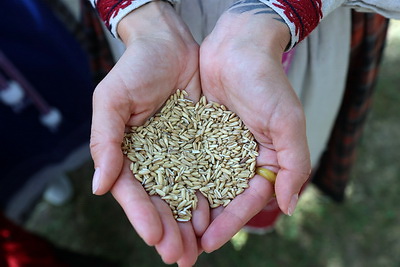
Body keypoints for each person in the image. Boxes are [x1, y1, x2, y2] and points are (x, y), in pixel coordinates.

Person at [89, 0, 400, 266]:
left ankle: (261, 222)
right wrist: (142, 17)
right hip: (149, 43)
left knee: (278, 152)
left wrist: (273, 14)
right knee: (268, 163)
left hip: (293, 36)